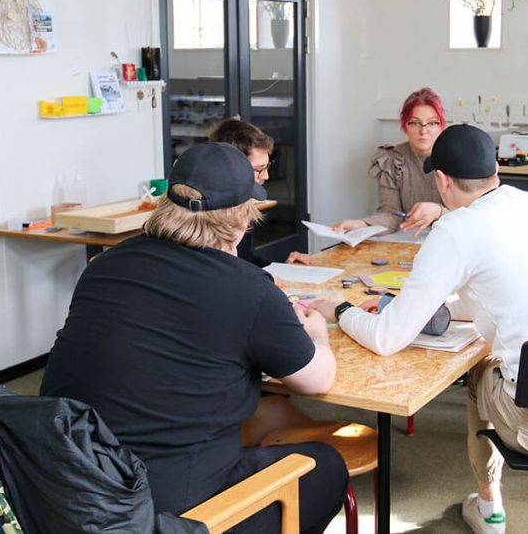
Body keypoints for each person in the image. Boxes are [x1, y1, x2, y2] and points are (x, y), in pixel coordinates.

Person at [315, 124, 528, 534]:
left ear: (442, 181)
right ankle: (488, 501)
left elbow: (386, 338)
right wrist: (430, 311)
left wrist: (339, 309)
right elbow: (501, 292)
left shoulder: (455, 230)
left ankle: (489, 505)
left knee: (482, 369)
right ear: (495, 169)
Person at [40, 142, 347, 533]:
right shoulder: (250, 290)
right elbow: (317, 381)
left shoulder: (103, 265)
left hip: (69, 485)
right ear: (241, 220)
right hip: (162, 515)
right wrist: (318, 333)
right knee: (325, 465)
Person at [332, 87, 447, 236]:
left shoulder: (458, 157)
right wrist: (362, 224)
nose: (423, 131)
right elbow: (391, 214)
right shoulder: (392, 159)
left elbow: (471, 214)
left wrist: (439, 211)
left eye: (432, 123)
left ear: (441, 126)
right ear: (405, 126)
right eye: (414, 123)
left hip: (450, 239)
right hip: (408, 240)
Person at [208, 117, 313, 266]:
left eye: (267, 166)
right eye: (259, 169)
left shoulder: (242, 204)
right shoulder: (206, 216)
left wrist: (283, 267)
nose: (266, 176)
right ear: (232, 167)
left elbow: (245, 261)